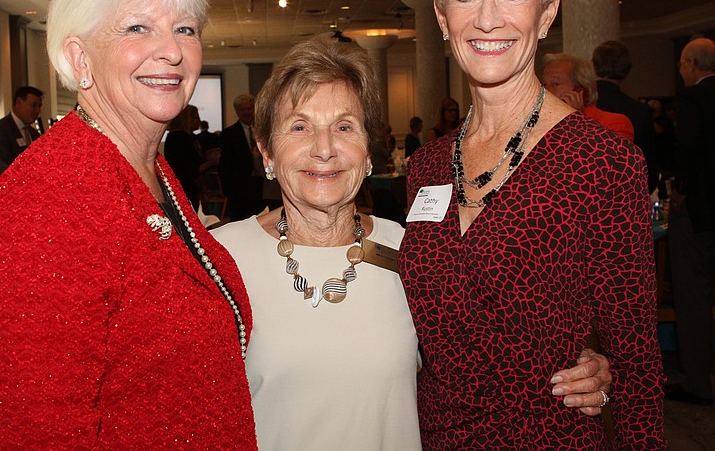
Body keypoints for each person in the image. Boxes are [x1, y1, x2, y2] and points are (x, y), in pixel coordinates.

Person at [212, 37, 614, 450]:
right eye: (300, 127)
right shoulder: (220, 259)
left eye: (344, 127)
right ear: (267, 151)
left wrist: (587, 369)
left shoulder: (417, 250)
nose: (324, 149)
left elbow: (494, 352)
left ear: (369, 151)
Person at [0, 0, 256, 448]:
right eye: (137, 27)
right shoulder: (43, 210)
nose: (172, 50)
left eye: (185, 28)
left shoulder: (148, 170)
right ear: (79, 59)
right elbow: (25, 435)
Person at [400, 0, 665, 449]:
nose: (487, 18)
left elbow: (637, 367)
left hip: (549, 436)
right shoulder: (426, 166)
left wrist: (607, 379)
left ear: (547, 11)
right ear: (443, 17)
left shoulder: (602, 163)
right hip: (435, 435)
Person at [665, 37, 715, 406]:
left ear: (691, 64)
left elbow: (687, 148)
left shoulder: (692, 98)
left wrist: (681, 190)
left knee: (693, 297)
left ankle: (697, 384)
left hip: (698, 213)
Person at [592, 40, 658, 187]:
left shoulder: (582, 104)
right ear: (627, 69)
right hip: (629, 189)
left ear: (594, 65)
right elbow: (648, 164)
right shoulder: (639, 110)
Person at [541, 52, 634, 141]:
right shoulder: (541, 125)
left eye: (556, 84)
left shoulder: (616, 123)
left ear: (580, 91)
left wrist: (578, 123)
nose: (545, 91)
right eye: (544, 84)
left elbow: (606, 152)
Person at [164, 104, 220, 211]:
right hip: (185, 190)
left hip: (186, 189)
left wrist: (206, 157)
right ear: (186, 119)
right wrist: (212, 161)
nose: (199, 121)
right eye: (196, 117)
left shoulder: (186, 136)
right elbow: (193, 170)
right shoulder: (180, 138)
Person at [219, 93, 265, 220]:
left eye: (248, 109)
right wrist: (227, 189)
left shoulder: (263, 131)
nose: (246, 112)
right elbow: (225, 164)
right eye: (242, 110)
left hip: (262, 185)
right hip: (239, 187)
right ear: (237, 112)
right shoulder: (228, 134)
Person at [0, 85, 43, 182]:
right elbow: (3, 169)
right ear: (19, 102)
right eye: (33, 105)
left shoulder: (34, 134)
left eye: (39, 106)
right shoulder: (0, 130)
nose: (37, 110)